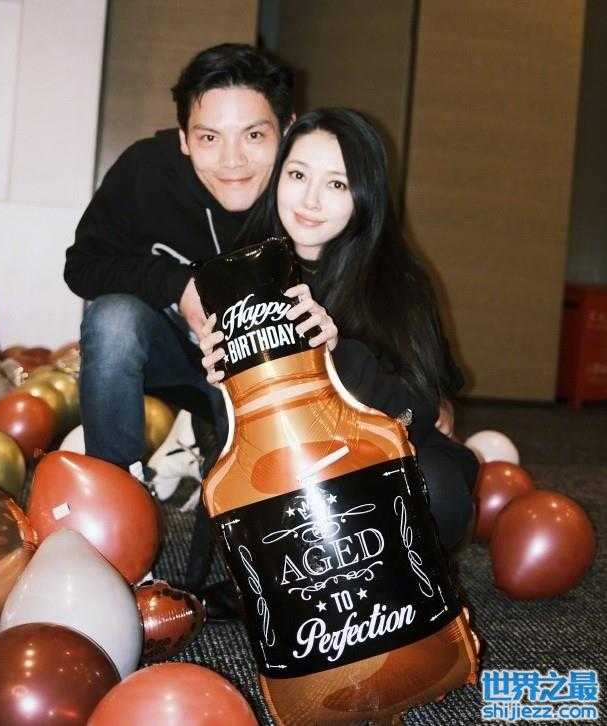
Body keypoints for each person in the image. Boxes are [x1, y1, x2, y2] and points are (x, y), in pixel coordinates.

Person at [63, 44, 305, 611]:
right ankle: (117, 503)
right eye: (209, 137)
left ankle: (267, 535)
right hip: (172, 353)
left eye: (254, 135)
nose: (232, 160)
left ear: (287, 130)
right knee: (112, 317)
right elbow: (83, 265)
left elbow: (376, 274)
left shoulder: (308, 182)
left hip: (266, 371)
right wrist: (178, 284)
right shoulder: (146, 171)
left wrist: (430, 381)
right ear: (183, 139)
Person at [199, 108, 478, 552]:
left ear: (364, 195)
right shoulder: (243, 272)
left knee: (435, 492)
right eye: (297, 175)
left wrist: (334, 355)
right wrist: (226, 383)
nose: (310, 201)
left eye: (336, 184)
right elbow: (245, 440)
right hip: (294, 461)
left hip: (387, 454)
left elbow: (419, 414)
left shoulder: (397, 280)